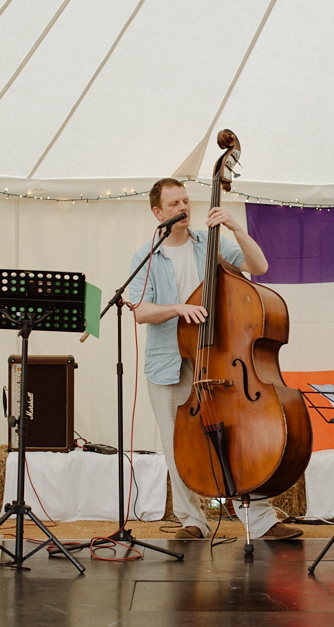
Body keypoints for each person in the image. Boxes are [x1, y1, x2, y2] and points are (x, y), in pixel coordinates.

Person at [128, 178, 302, 541]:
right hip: (169, 362)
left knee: (239, 436)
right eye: (174, 203)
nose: (184, 208)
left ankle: (260, 520)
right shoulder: (146, 256)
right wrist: (177, 308)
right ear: (157, 212)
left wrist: (236, 227)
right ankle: (193, 520)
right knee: (179, 445)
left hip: (221, 358)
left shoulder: (210, 243)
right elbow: (140, 311)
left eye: (186, 201)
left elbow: (260, 265)